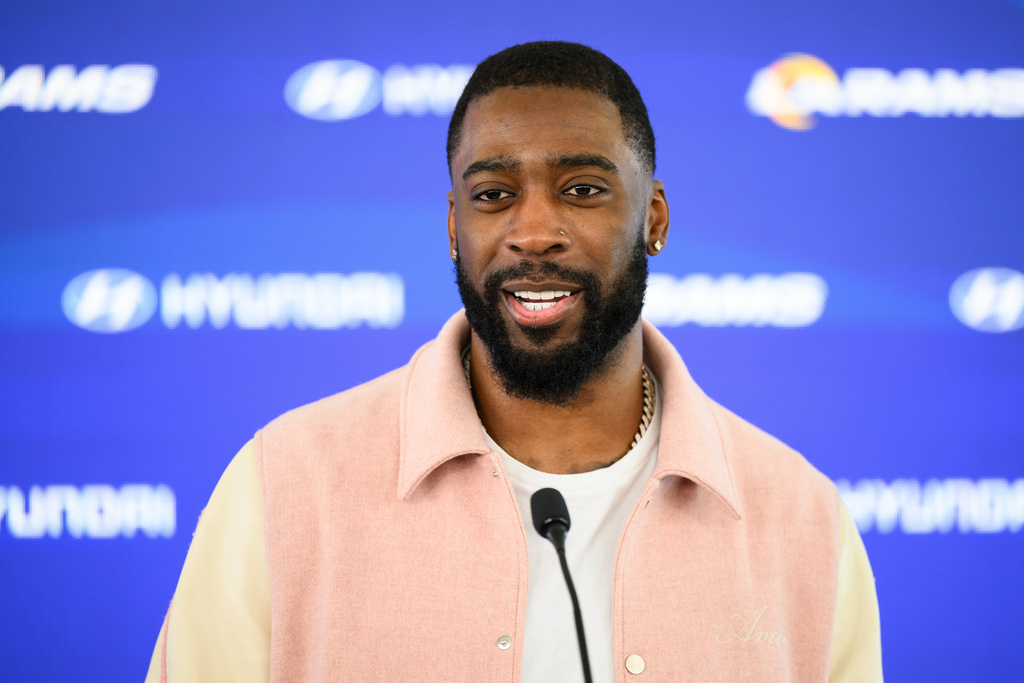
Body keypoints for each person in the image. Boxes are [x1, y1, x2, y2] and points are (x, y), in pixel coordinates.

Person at [146, 41, 882, 682]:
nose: (533, 231)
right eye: (494, 194)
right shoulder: (284, 488)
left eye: (583, 190)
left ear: (654, 218)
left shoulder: (801, 517)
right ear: (453, 225)